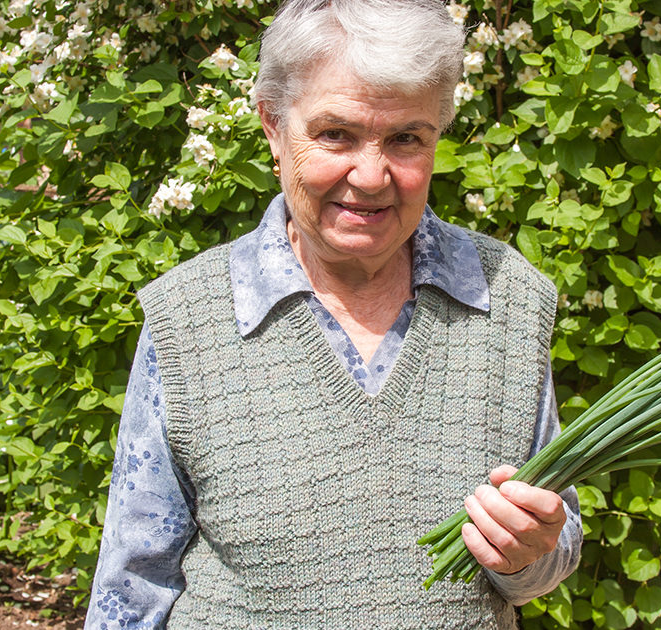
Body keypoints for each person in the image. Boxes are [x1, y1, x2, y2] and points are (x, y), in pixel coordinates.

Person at [84, 0, 581, 627]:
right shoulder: (190, 320)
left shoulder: (507, 297)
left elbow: (554, 543)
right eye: (335, 134)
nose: (371, 176)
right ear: (272, 126)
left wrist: (527, 555)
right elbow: (133, 584)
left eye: (406, 139)